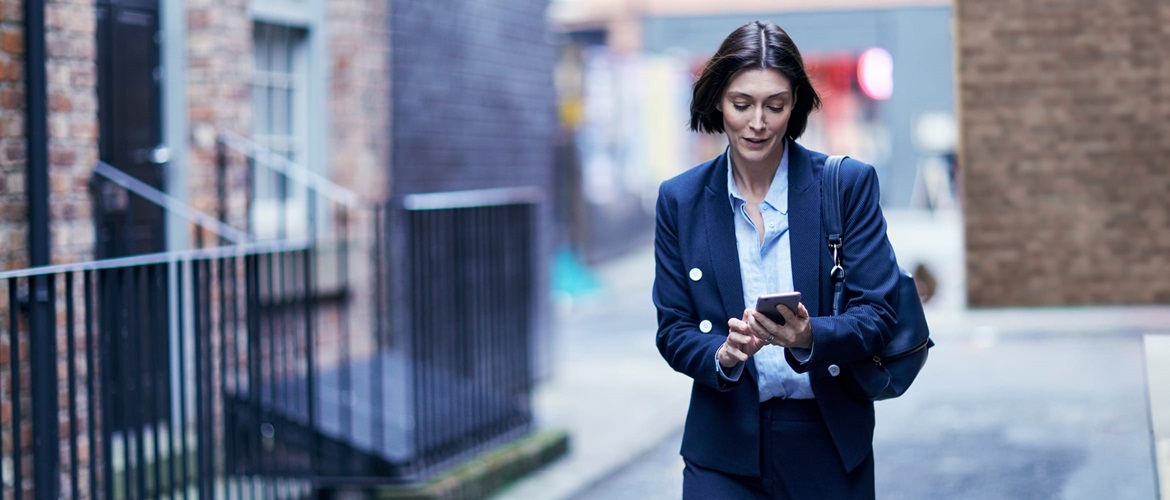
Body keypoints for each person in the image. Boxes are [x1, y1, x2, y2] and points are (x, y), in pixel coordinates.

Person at [653, 20, 901, 499]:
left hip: (826, 439)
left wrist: (811, 335)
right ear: (717, 102)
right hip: (722, 446)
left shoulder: (845, 187)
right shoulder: (680, 200)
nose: (758, 122)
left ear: (795, 106)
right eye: (741, 104)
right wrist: (722, 355)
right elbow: (672, 327)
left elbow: (879, 313)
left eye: (776, 105)